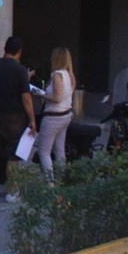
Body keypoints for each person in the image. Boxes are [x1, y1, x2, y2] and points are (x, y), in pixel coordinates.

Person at [0, 36, 37, 202]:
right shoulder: (20, 71)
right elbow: (26, 97)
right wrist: (32, 119)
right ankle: (12, 192)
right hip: (15, 118)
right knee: (13, 157)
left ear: (4, 49)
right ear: (19, 52)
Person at [37, 47, 76, 186]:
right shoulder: (69, 75)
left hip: (53, 115)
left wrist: (41, 94)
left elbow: (57, 98)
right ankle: (62, 178)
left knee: (44, 151)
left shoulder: (57, 75)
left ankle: (50, 182)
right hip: (66, 114)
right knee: (59, 148)